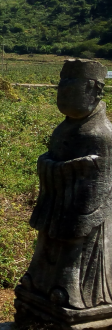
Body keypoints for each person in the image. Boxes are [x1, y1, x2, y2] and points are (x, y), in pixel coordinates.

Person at [22, 59, 112, 309]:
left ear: (94, 91)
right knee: (46, 246)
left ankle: (72, 293)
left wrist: (63, 169)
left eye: (71, 89)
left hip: (80, 211)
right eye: (61, 88)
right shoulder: (64, 129)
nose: (62, 95)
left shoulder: (101, 135)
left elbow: (100, 184)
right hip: (57, 204)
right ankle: (40, 283)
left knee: (73, 254)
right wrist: (50, 165)